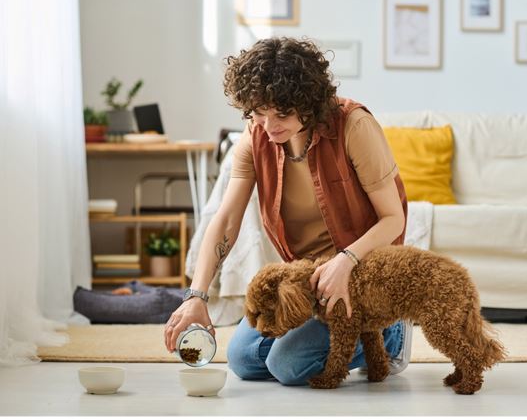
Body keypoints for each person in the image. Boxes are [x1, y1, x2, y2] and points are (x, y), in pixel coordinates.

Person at [164, 37, 412, 386]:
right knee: (242, 359)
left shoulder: (354, 126)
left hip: (365, 276)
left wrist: (346, 260)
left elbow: (393, 219)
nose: (268, 126)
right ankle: (318, 339)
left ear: (309, 102)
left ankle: (391, 334)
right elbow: (226, 219)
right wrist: (196, 295)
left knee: (287, 364)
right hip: (308, 285)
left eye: (281, 114)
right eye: (258, 113)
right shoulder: (256, 136)